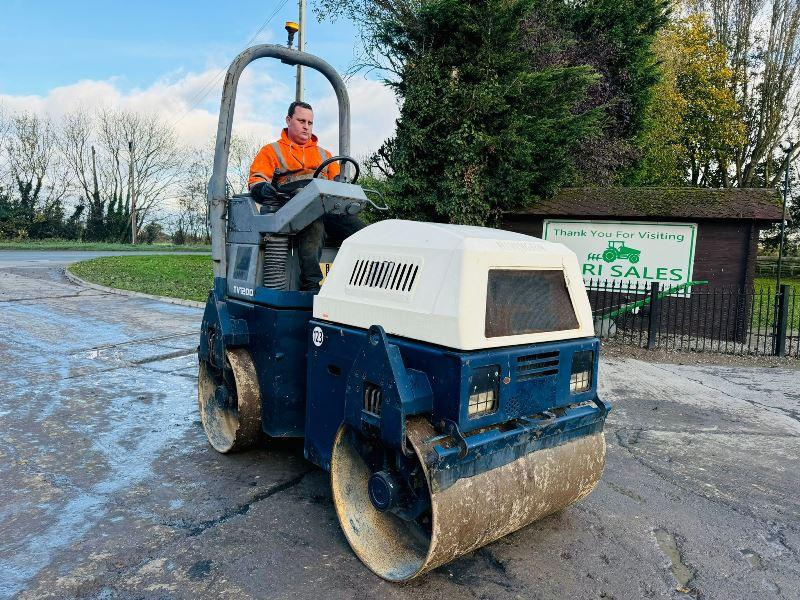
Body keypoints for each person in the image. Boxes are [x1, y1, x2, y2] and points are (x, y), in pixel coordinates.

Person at [248, 101, 364, 292]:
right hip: (291, 210)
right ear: (288, 120)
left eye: (310, 123)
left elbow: (338, 180)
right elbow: (258, 178)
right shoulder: (272, 151)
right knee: (314, 225)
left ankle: (353, 284)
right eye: (301, 121)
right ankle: (311, 287)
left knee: (359, 231)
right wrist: (261, 188)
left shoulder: (324, 154)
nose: (306, 126)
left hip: (325, 209)